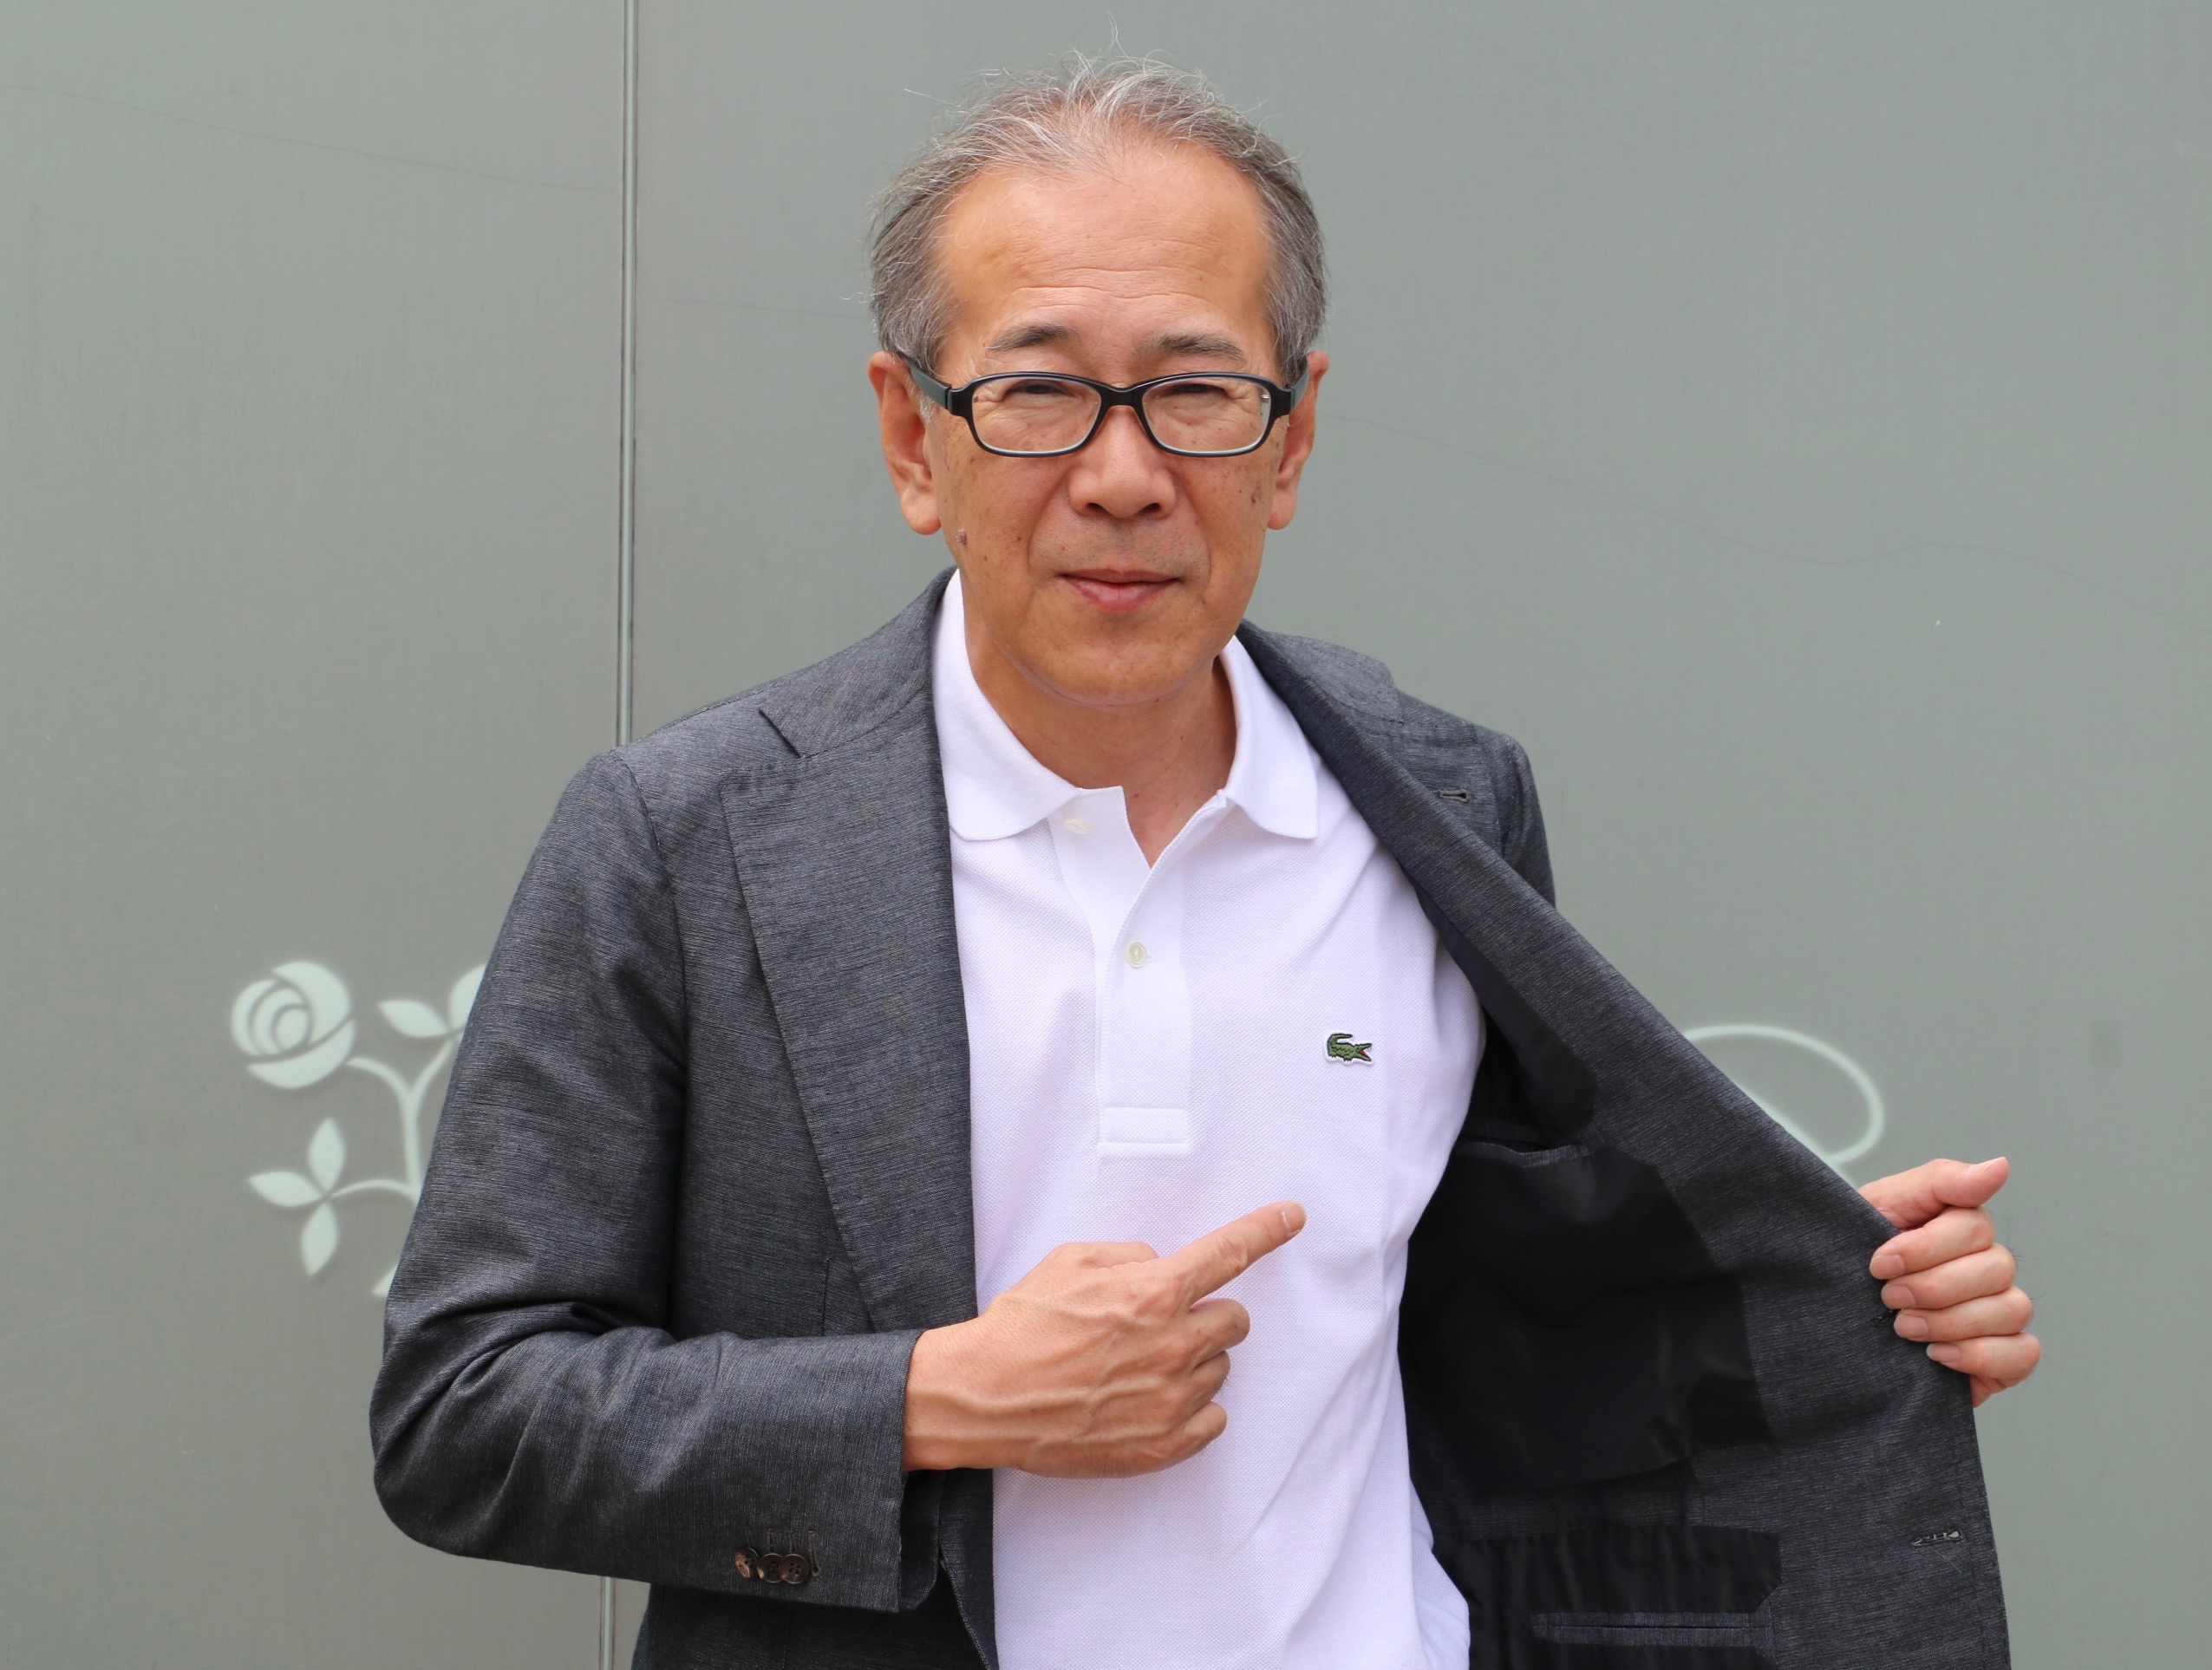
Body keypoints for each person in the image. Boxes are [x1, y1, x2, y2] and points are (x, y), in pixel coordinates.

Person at [371, 55, 2037, 1670]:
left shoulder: (1447, 804)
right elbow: (463, 1405)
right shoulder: (687, 838)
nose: (1123, 477)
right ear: (912, 437)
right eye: (1037, 392)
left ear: (1290, 440)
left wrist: (1810, 1293)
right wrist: (937, 1395)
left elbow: (1479, 1325)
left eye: (1196, 393)